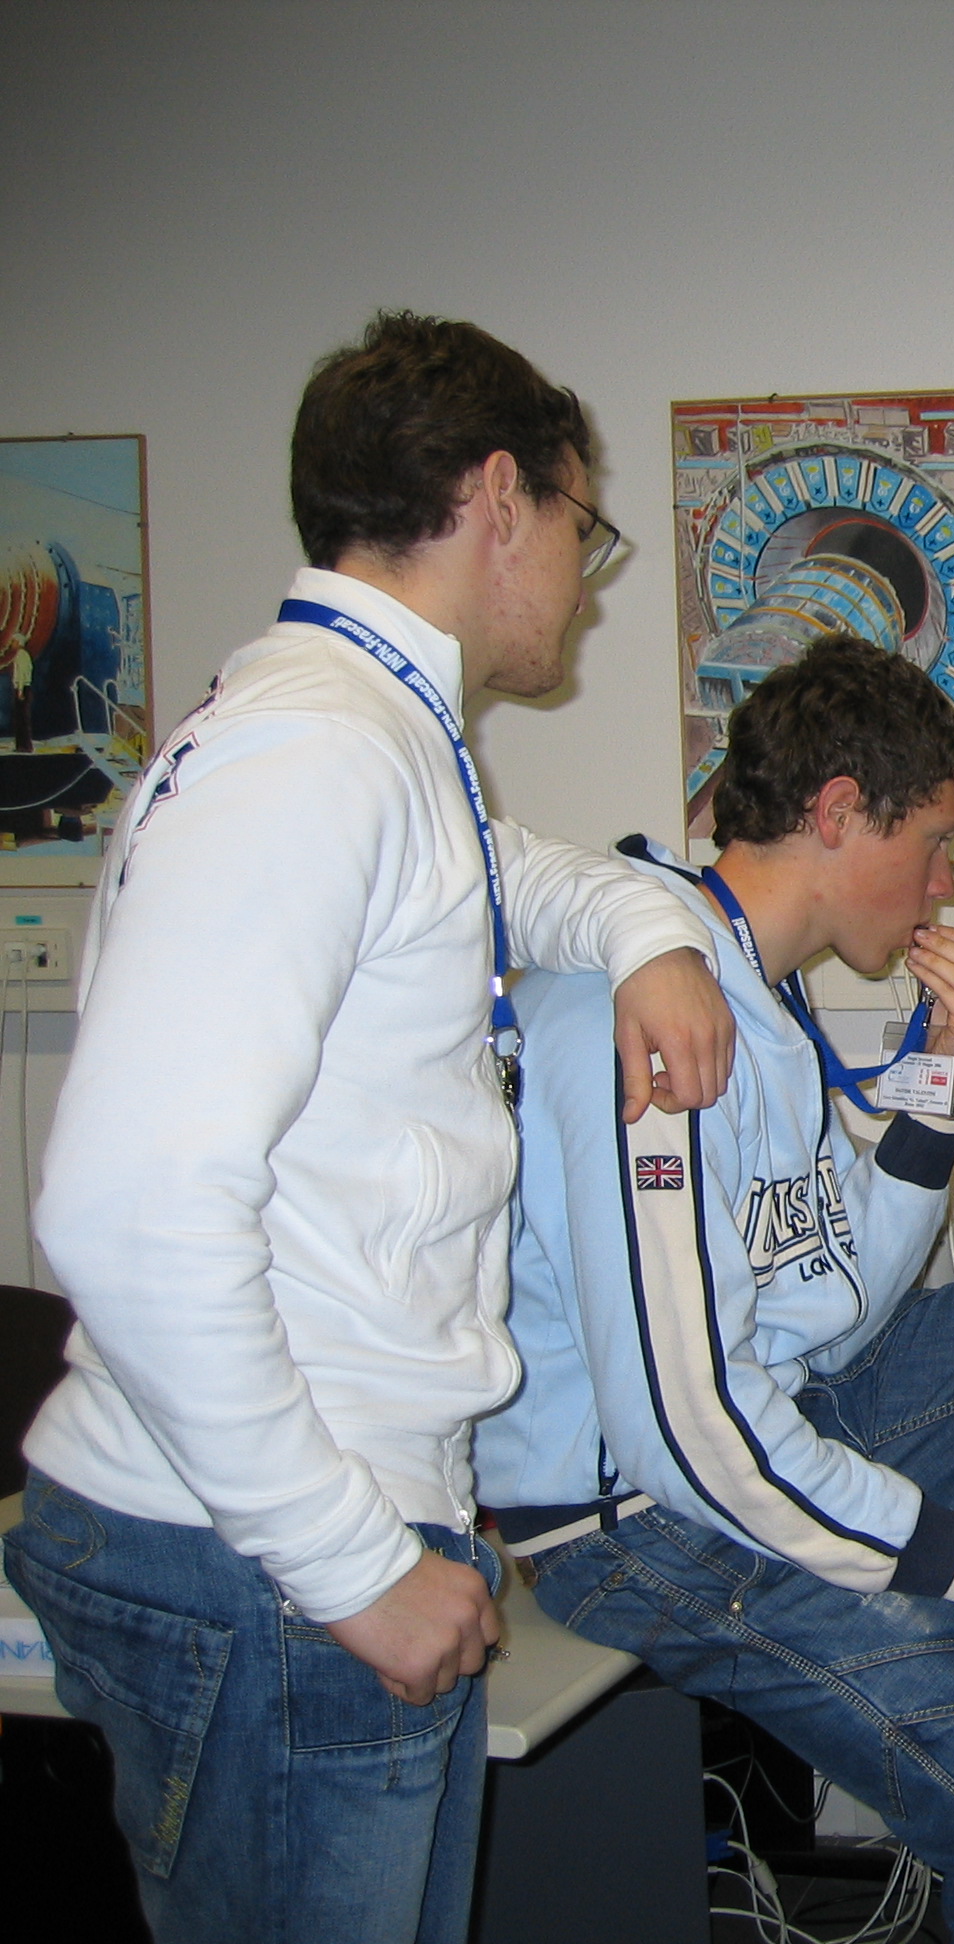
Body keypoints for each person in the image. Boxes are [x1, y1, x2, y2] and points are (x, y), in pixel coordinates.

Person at [3, 311, 738, 1944]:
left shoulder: (368, 732)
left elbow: (505, 880)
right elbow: (127, 1205)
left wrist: (650, 931)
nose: (585, 576)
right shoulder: (317, 752)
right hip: (268, 1559)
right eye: (582, 524)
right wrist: (351, 1563)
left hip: (287, 1531)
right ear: (501, 497)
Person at [475, 635, 954, 1944]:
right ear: (837, 813)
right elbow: (686, 1433)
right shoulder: (649, 1006)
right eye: (933, 843)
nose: (948, 885)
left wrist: (939, 1080)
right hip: (650, 1522)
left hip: (773, 1417)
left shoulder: (759, 991)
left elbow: (838, 1313)